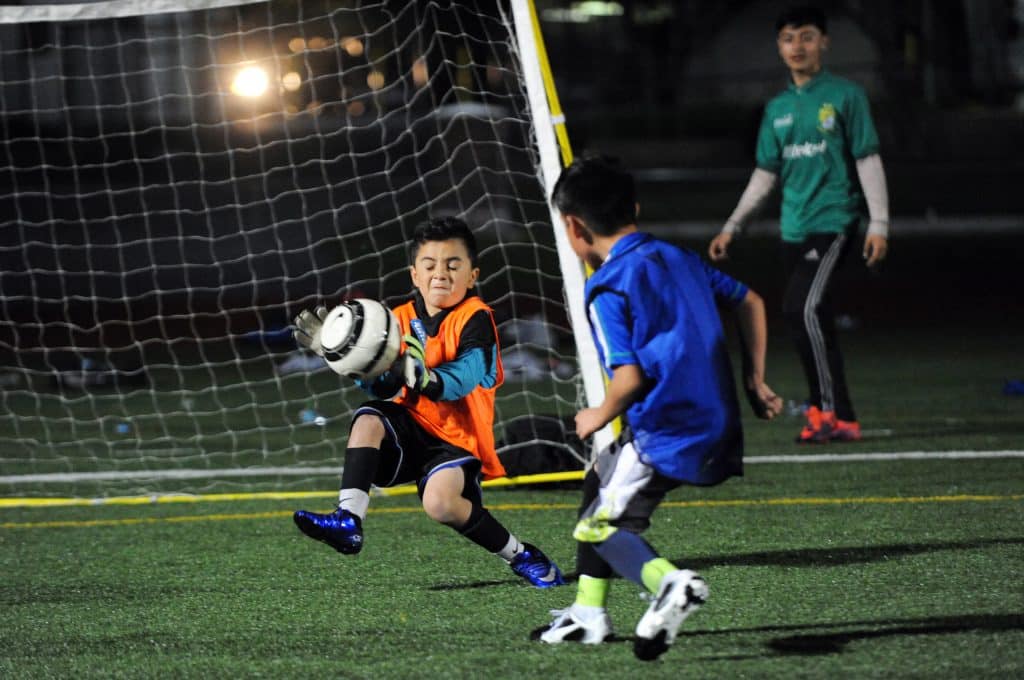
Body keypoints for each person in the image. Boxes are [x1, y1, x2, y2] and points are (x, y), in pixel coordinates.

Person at [531, 156, 783, 661]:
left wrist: (596, 415)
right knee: (599, 480)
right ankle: (588, 614)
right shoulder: (678, 257)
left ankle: (671, 584)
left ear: (573, 226)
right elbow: (750, 301)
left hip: (665, 426)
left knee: (599, 527)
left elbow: (629, 377)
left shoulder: (606, 286)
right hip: (717, 418)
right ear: (635, 209)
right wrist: (755, 379)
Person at [291, 217, 564, 589]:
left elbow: (463, 378)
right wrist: (343, 355)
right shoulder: (393, 321)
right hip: (411, 427)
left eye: (453, 265)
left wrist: (424, 377)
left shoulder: (476, 319)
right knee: (368, 418)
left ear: (472, 276)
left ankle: (522, 555)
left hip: (457, 440)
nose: (441, 274)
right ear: (414, 275)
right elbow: (384, 388)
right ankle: (348, 520)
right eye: (430, 265)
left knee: (441, 505)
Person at [708, 5, 890, 444]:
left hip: (834, 220)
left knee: (799, 307)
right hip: (793, 228)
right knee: (814, 319)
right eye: (789, 39)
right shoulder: (777, 109)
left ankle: (823, 410)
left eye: (806, 37)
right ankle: (840, 415)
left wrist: (879, 222)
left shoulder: (846, 96)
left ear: (824, 42)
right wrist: (734, 224)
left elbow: (867, 158)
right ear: (779, 46)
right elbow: (766, 174)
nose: (797, 47)